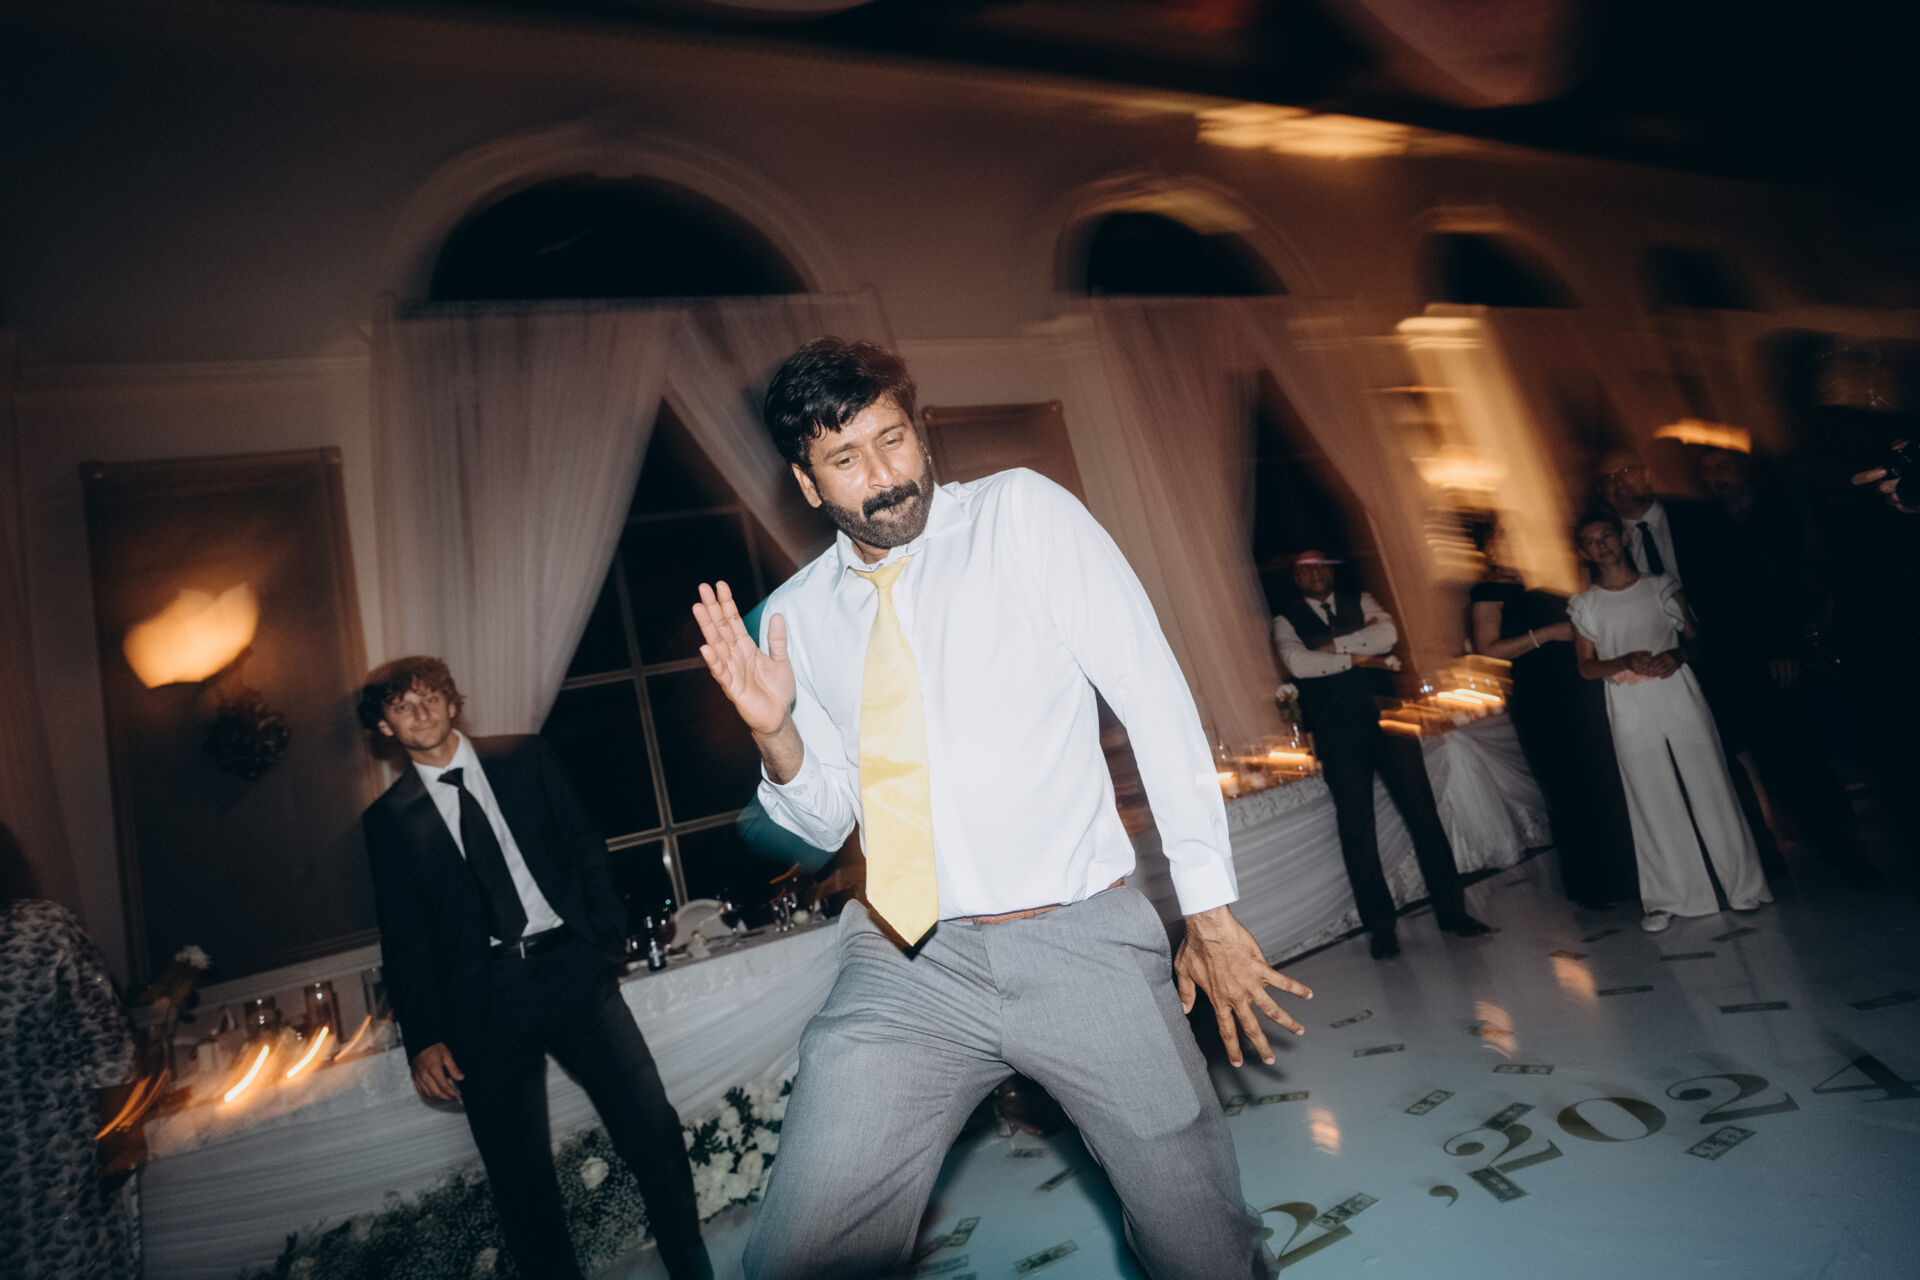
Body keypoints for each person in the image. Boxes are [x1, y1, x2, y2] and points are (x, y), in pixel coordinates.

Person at [692, 337, 1307, 1280]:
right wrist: (775, 732)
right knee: (797, 1255)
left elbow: (1152, 694)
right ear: (807, 485)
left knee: (1201, 1243)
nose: (885, 476)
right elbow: (820, 821)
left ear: (918, 430)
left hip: (1080, 939)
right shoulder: (797, 617)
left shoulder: (1021, 514)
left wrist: (1209, 912)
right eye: (846, 459)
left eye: (893, 439)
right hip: (906, 963)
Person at [357, 658, 711, 1280]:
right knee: (520, 1182)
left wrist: (603, 935)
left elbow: (584, 842)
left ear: (452, 701)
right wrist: (424, 1037)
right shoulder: (387, 820)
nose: (421, 711)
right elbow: (404, 936)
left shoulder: (526, 757)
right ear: (385, 727)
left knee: (651, 1128)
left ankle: (692, 1269)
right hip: (482, 1007)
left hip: (574, 974)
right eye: (402, 706)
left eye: (431, 696)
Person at [1271, 550, 1491, 959]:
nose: (1314, 572)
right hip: (1337, 735)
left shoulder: (1363, 600)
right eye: (1304, 568)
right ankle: (1381, 929)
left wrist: (1333, 648)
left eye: (1320, 565)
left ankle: (1453, 912)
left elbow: (1387, 636)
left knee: (1423, 816)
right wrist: (1359, 655)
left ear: (1331, 571)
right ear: (1296, 578)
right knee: (1357, 830)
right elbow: (1299, 664)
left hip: (1390, 722)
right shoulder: (1285, 620)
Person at [1567, 513, 1771, 932]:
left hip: (1676, 689)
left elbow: (1697, 640)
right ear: (1583, 552)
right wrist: (1623, 660)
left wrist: (1677, 655)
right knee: (1649, 794)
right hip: (1626, 699)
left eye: (1607, 535)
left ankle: (1743, 886)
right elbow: (1586, 667)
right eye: (1591, 541)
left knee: (1710, 782)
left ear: (1623, 538)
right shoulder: (1585, 604)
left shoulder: (1660, 586)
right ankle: (1669, 897)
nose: (1602, 545)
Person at [1595, 449, 1789, 880]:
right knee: (1713, 770)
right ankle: (1756, 866)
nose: (1619, 483)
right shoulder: (1606, 544)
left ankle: (1844, 854)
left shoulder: (1701, 516)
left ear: (1646, 473)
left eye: (1626, 471)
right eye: (1608, 479)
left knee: (1779, 746)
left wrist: (1778, 645)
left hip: (1734, 652)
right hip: (1670, 671)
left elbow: (1754, 582)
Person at [1696, 448, 1881, 887]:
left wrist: (1789, 642)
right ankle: (1840, 845)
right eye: (1708, 473)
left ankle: (1853, 841)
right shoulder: (1714, 525)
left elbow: (1801, 577)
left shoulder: (1781, 510)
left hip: (1807, 643)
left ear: (1743, 468)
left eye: (1722, 467)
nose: (1716, 478)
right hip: (1759, 658)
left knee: (1836, 740)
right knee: (1796, 751)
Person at [1467, 520, 1637, 909]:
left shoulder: (1545, 584)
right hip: (1540, 700)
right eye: (1502, 538)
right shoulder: (1488, 592)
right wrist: (1545, 635)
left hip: (1580, 691)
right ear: (1489, 550)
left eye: (1516, 535)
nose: (1512, 543)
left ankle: (1627, 874)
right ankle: (1590, 886)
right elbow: (1488, 650)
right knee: (1566, 785)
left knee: (1603, 778)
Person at [0, 821, 138, 1280]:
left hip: (56, 1197)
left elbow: (110, 1056)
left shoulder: (39, 931)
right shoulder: (40, 929)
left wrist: (116, 1149)